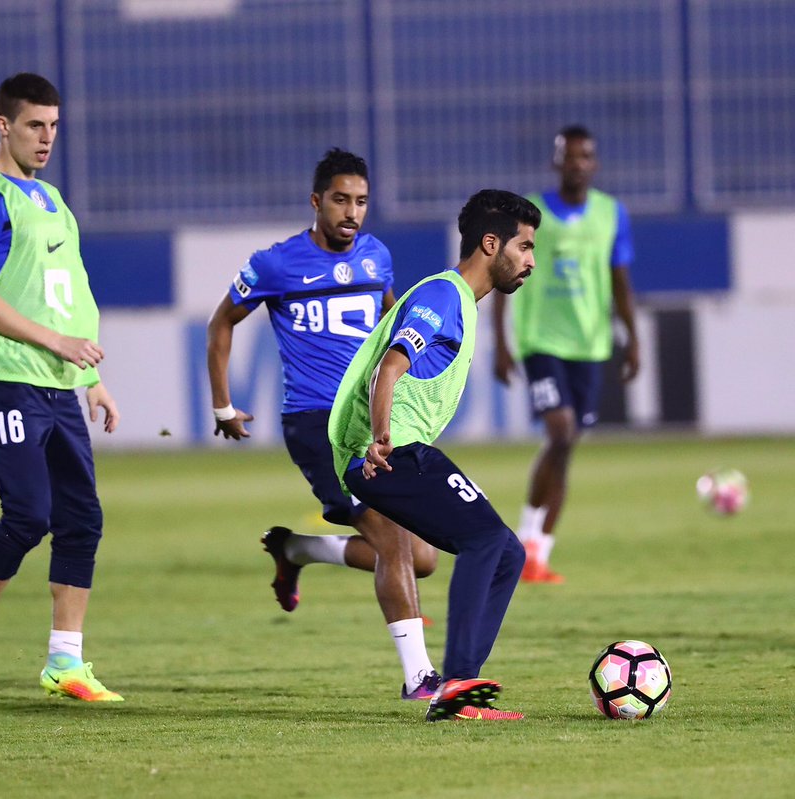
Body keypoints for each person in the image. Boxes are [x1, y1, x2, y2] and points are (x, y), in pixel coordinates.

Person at [206, 148, 442, 701]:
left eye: (361, 201)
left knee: (422, 557)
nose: (351, 212)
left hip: (368, 419)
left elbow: (389, 322)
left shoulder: (377, 256)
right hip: (317, 424)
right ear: (316, 202)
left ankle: (297, 551)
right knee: (391, 541)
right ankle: (419, 678)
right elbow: (222, 322)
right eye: (340, 200)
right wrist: (223, 406)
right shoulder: (275, 263)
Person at [0, 73, 122, 704]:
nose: (46, 138)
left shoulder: (51, 201)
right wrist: (58, 345)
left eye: (53, 126)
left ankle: (64, 661)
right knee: (28, 513)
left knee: (82, 518)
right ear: (3, 125)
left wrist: (92, 379)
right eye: (34, 126)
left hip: (55, 383)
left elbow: (67, 296)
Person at [329, 189, 540, 721]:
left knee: (507, 552)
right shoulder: (444, 297)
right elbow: (390, 368)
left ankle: (456, 689)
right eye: (525, 246)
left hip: (390, 451)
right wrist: (380, 439)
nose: (531, 262)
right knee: (485, 540)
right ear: (491, 244)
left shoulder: (459, 302)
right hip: (387, 452)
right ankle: (457, 686)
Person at [492, 125, 640, 584]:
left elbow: (618, 279)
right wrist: (500, 340)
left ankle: (537, 551)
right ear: (556, 161)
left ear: (594, 163)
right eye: (568, 156)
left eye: (585, 156)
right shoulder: (531, 216)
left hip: (591, 345)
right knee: (560, 430)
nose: (576, 163)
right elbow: (503, 271)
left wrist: (632, 337)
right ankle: (524, 536)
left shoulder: (611, 214)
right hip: (542, 342)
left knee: (566, 445)